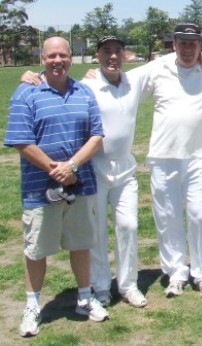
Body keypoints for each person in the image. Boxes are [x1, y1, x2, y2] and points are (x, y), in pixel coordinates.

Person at [20, 36, 151, 308]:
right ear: (97, 56)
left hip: (125, 167)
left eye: (117, 51)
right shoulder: (87, 84)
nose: (112, 57)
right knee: (96, 230)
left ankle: (128, 285)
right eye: (106, 52)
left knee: (129, 225)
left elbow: (168, 62)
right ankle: (101, 285)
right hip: (94, 167)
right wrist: (30, 75)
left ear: (125, 55)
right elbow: (56, 80)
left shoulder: (134, 81)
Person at [4, 36, 108, 338]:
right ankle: (32, 306)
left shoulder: (84, 93)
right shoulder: (26, 93)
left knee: (80, 244)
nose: (58, 61)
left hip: (79, 185)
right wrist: (56, 169)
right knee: (36, 250)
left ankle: (85, 299)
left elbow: (96, 136)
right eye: (52, 56)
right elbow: (21, 140)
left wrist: (72, 166)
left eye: (63, 55)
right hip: (39, 189)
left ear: (71, 58)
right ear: (43, 59)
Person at [144, 23, 202, 298]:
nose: (188, 48)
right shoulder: (157, 67)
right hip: (163, 156)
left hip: (198, 156)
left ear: (201, 45)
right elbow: (121, 81)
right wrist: (94, 74)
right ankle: (176, 271)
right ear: (174, 43)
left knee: (199, 215)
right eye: (183, 42)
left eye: (193, 43)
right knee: (168, 217)